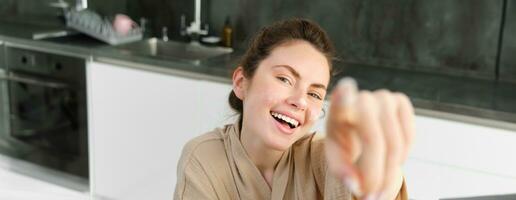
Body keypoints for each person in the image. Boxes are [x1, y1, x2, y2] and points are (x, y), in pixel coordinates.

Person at [174, 18, 414, 200]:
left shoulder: (322, 156)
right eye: (285, 79)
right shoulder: (203, 158)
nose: (300, 101)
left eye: (314, 94)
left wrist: (380, 163)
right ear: (241, 82)